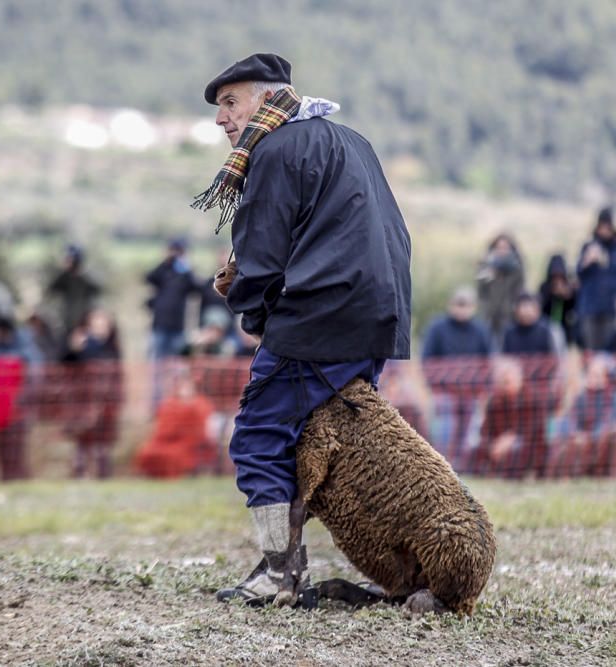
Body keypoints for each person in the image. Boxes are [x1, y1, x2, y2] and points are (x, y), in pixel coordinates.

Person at [195, 53, 411, 604]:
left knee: (259, 436)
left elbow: (262, 254)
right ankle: (411, 568)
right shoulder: (351, 140)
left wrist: (250, 306)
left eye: (229, 102)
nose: (221, 118)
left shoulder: (274, 149)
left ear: (268, 99)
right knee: (346, 442)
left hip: (320, 315)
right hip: (376, 312)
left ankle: (279, 574)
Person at [421, 287, 492, 467]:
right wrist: (434, 384)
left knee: (467, 435)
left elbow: (488, 360)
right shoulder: (437, 328)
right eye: (458, 304)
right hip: (445, 392)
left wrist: (483, 388)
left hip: (471, 393)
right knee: (445, 433)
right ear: (450, 305)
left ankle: (462, 468)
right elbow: (427, 358)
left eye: (466, 305)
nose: (462, 309)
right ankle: (441, 466)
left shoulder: (481, 330)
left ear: (473, 307)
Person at [61, 308, 123, 479]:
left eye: (103, 324)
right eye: (96, 323)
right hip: (83, 399)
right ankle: (80, 473)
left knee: (102, 443)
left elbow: (117, 375)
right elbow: (66, 363)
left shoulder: (113, 347)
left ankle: (103, 474)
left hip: (106, 401)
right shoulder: (80, 345)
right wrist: (74, 349)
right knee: (82, 439)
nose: (100, 327)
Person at [575, 208, 616, 350]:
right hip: (590, 308)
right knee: (591, 349)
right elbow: (578, 274)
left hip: (613, 308)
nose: (604, 231)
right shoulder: (589, 247)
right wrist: (587, 260)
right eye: (602, 227)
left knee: (610, 349)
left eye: (607, 227)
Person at [547, 355, 616, 478]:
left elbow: (608, 422)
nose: (592, 379)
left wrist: (588, 437)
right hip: (580, 440)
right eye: (591, 374)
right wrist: (575, 433)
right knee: (561, 430)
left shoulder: (615, 396)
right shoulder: (582, 396)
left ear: (607, 378)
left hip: (601, 442)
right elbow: (573, 418)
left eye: (597, 375)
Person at [470, 357, 548, 478]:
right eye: (502, 381)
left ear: (519, 379)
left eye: (508, 380)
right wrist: (492, 445)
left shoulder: (533, 399)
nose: (505, 384)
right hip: (498, 446)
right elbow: (485, 431)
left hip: (526, 445)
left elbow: (534, 430)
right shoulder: (493, 401)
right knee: (475, 450)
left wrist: (511, 439)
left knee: (518, 451)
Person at [134, 369, 216, 478]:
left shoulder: (200, 403)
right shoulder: (169, 402)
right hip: (165, 440)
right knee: (147, 451)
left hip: (188, 442)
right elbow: (162, 426)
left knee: (173, 455)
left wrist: (189, 403)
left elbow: (201, 428)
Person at [0, 317, 30, 481]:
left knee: (16, 448)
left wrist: (20, 401)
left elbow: (31, 379)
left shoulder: (24, 351)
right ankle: (6, 478)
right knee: (2, 447)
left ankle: (17, 478)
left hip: (18, 409)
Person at [145, 238, 198, 358]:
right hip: (159, 324)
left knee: (176, 361)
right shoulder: (163, 271)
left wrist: (187, 268)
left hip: (177, 325)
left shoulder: (184, 274)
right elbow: (149, 278)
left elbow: (195, 287)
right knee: (157, 360)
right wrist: (165, 261)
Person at [476, 234, 525, 347]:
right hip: (488, 316)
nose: (502, 251)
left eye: (505, 247)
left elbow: (519, 291)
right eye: (499, 247)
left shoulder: (517, 268)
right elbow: (481, 292)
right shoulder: (485, 266)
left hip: (509, 317)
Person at [47, 244, 102, 338]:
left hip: (84, 325)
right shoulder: (63, 277)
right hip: (65, 324)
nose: (66, 262)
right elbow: (51, 290)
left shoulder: (86, 278)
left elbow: (97, 291)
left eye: (69, 259)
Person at [538, 254, 577, 347]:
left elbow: (573, 309)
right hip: (547, 326)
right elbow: (542, 308)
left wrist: (567, 296)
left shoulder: (570, 287)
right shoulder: (544, 287)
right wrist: (552, 294)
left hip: (565, 327)